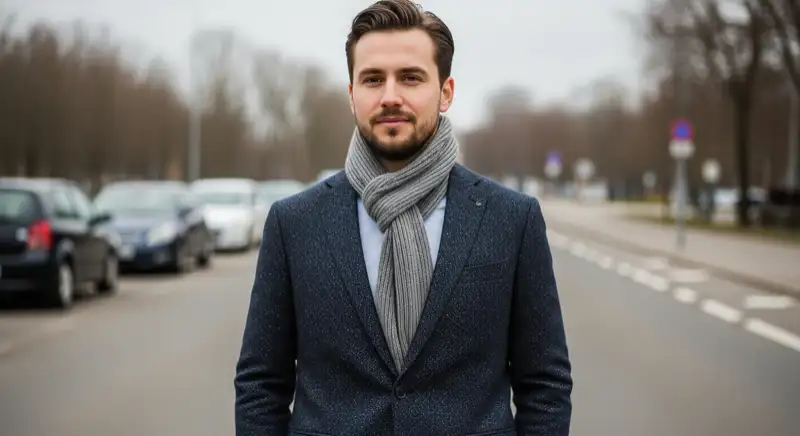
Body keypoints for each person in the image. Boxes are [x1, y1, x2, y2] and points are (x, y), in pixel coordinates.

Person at [233, 1, 573, 434]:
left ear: (446, 91)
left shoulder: (512, 219)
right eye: (373, 79)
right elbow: (261, 384)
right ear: (352, 93)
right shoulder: (293, 223)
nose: (390, 95)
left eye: (411, 78)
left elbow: (545, 384)